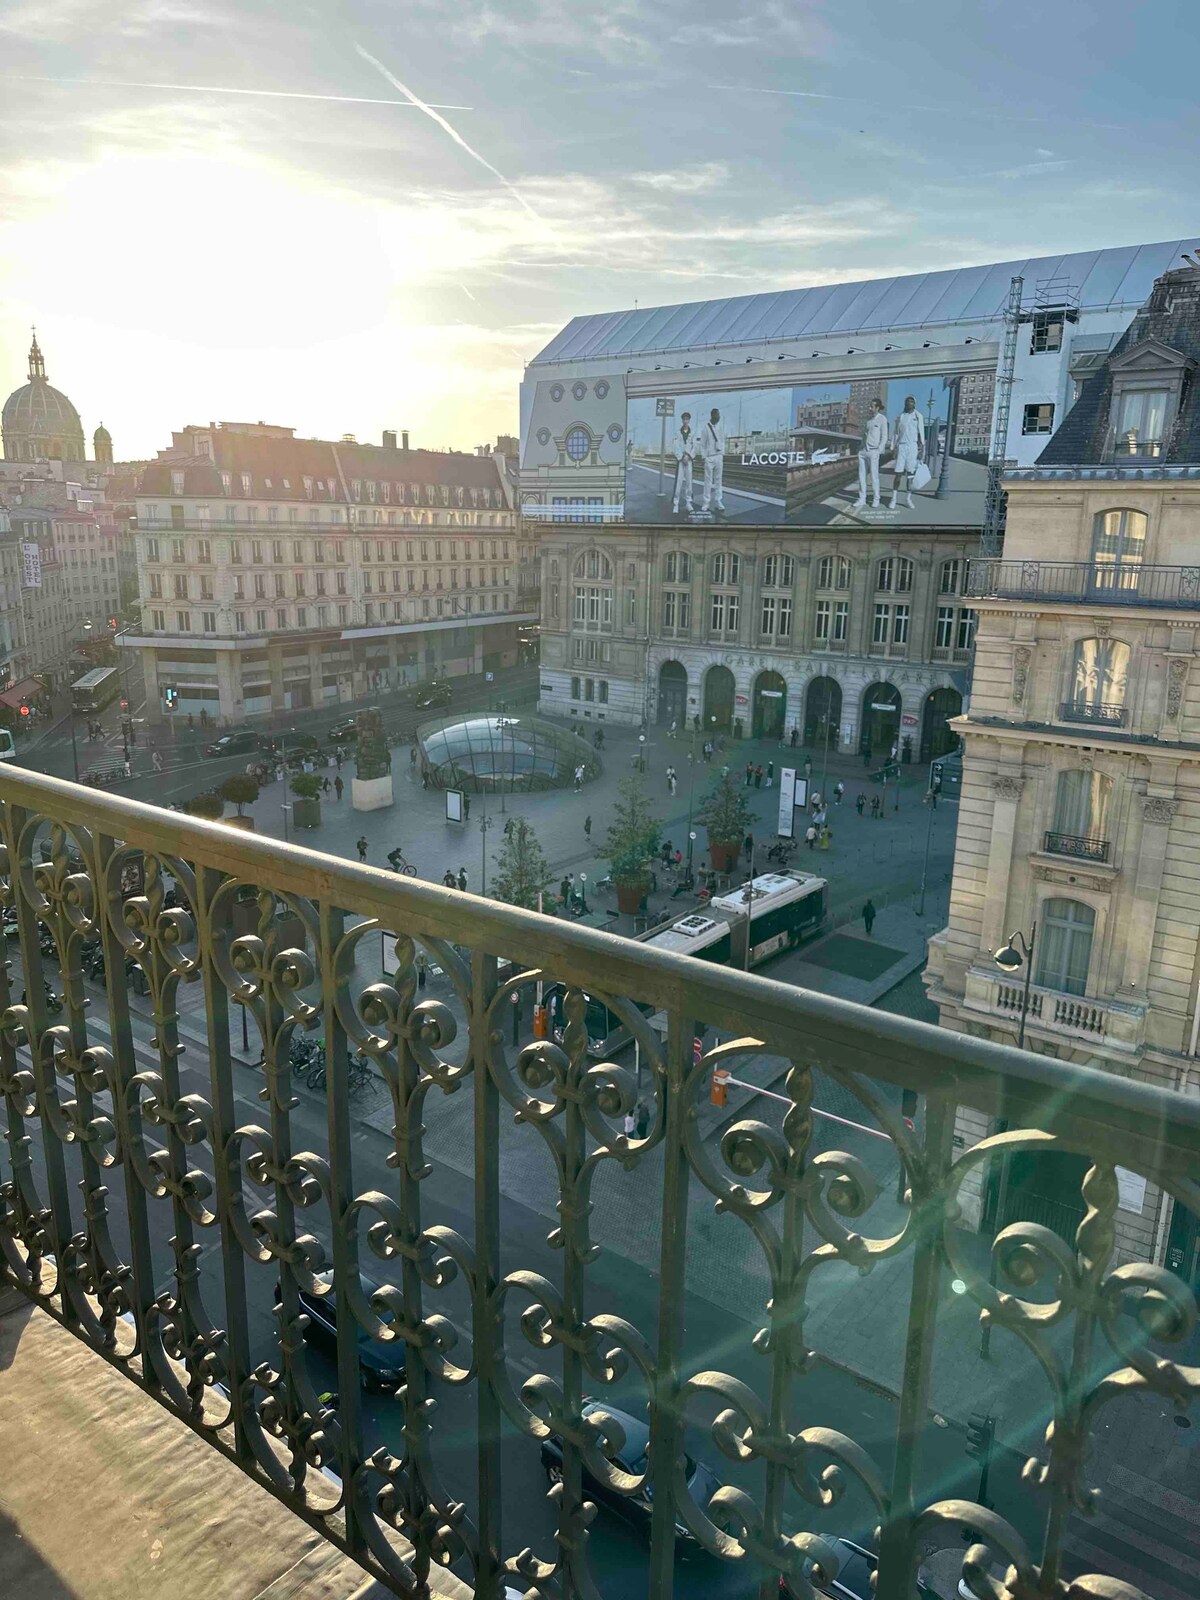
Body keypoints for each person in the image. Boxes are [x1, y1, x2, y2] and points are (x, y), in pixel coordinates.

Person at [889, 394, 925, 511]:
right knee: (898, 474)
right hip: (902, 446)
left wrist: (922, 449)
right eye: (907, 402)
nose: (909, 404)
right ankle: (893, 499)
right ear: (905, 404)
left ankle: (908, 499)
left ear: (914, 404)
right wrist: (893, 448)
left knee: (910, 475)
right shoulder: (900, 416)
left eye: (911, 402)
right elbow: (895, 433)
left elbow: (921, 433)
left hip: (913, 447)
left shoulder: (918, 416)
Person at [854, 397, 888, 510]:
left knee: (874, 476)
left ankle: (876, 498)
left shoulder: (882, 419)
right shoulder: (868, 421)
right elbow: (865, 435)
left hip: (873, 451)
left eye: (872, 406)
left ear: (877, 408)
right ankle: (862, 498)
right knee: (861, 476)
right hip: (863, 451)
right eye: (870, 406)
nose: (869, 408)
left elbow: (884, 436)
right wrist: (860, 449)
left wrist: (879, 450)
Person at [699, 407, 726, 515]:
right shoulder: (706, 428)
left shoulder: (720, 427)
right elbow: (702, 444)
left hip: (718, 456)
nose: (719, 417)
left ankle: (718, 501)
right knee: (708, 481)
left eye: (719, 415)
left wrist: (722, 453)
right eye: (717, 415)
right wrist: (704, 457)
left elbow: (723, 440)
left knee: (718, 480)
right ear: (712, 415)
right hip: (709, 457)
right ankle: (706, 503)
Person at [671, 410, 696, 515]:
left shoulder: (693, 432)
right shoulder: (677, 433)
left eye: (687, 419)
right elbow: (674, 446)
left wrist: (689, 455)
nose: (685, 421)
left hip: (689, 460)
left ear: (689, 420)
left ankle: (688, 503)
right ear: (682, 420)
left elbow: (695, 446)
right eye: (684, 419)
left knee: (689, 483)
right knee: (679, 483)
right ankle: (676, 503)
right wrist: (681, 457)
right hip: (681, 461)